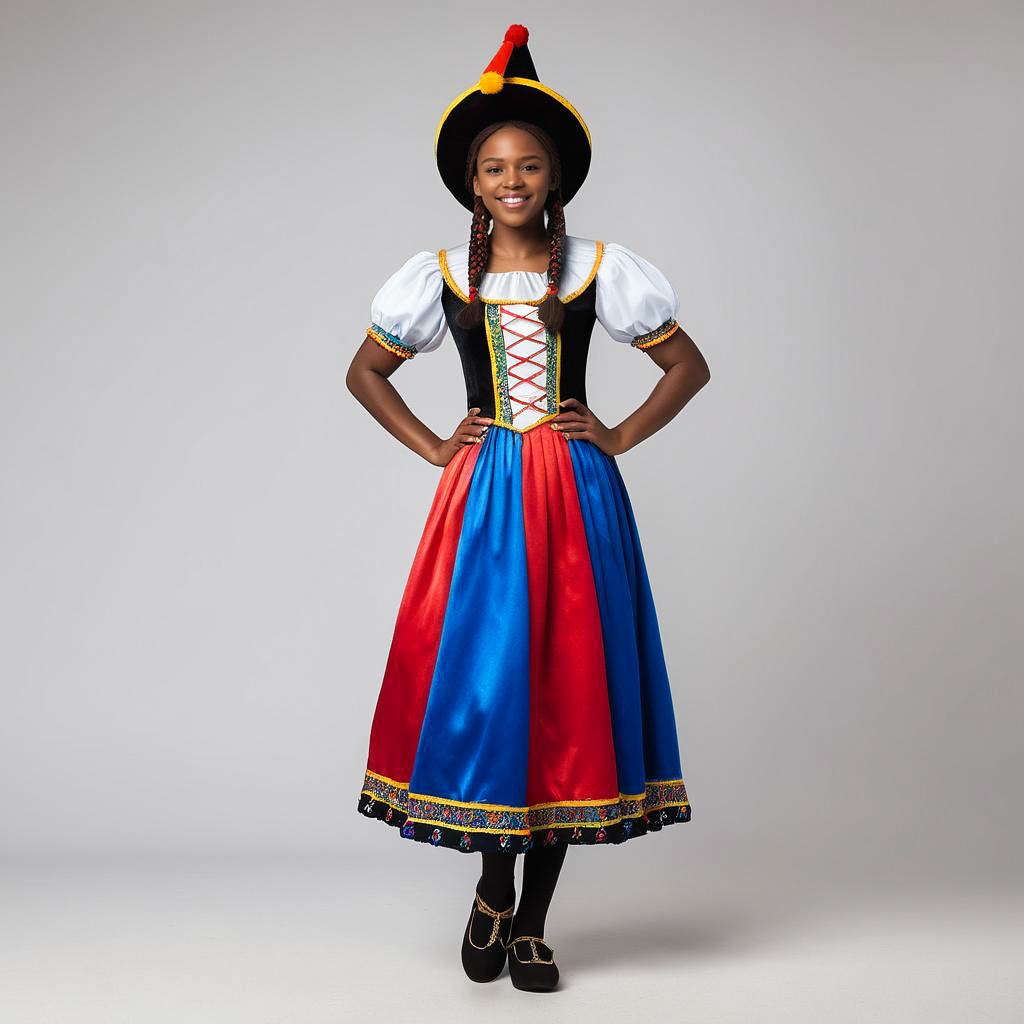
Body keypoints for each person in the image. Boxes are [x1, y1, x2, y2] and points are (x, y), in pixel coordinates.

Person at [346, 24, 711, 993]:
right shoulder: (443, 275)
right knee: (494, 685)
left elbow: (687, 365)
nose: (514, 180)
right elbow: (366, 370)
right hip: (484, 503)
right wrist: (434, 446)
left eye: (530, 165)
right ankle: (494, 887)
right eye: (496, 166)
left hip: (576, 495)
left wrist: (620, 435)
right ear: (474, 183)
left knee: (568, 690)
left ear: (556, 178)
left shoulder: (596, 267)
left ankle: (537, 923)